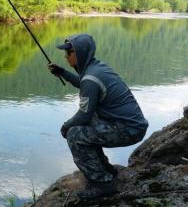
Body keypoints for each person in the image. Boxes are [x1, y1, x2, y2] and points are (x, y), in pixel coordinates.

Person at [48, 33, 148, 199]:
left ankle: (102, 183)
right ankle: (104, 168)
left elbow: (83, 116)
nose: (65, 56)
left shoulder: (91, 77)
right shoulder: (97, 68)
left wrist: (65, 126)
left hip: (129, 130)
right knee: (86, 125)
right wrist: (62, 73)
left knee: (74, 134)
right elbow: (84, 84)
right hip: (132, 125)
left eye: (69, 53)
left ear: (79, 53)